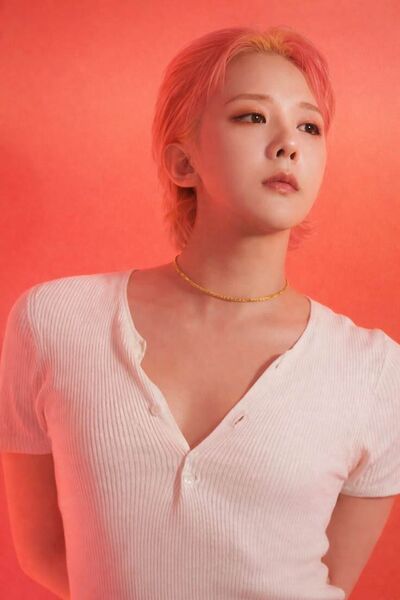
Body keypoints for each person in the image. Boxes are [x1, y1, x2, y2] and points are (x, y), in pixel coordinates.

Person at [1, 25, 400, 600]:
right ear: (182, 162)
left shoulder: (375, 371)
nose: (288, 144)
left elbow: (329, 581)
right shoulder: (55, 323)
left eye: (309, 126)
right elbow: (43, 550)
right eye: (252, 116)